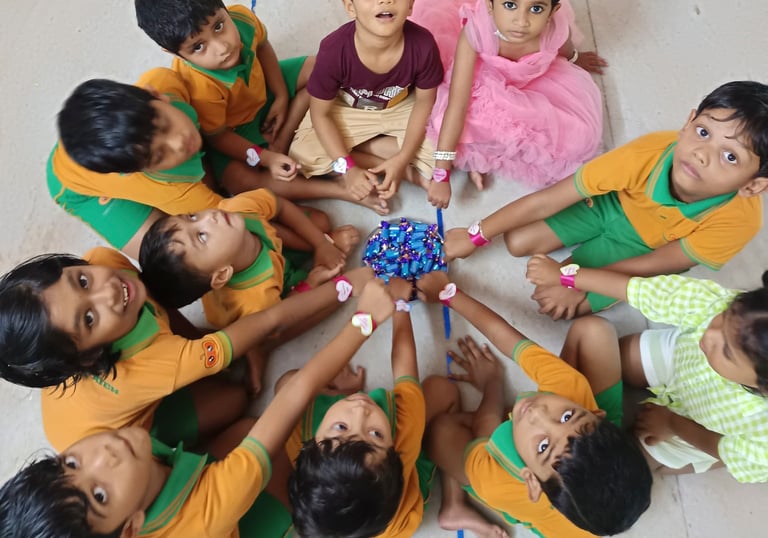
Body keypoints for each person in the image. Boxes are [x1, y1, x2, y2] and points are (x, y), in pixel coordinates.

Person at [0, 279, 399, 538]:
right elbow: (295, 396)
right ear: (131, 529)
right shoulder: (206, 516)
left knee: (240, 405)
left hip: (165, 453)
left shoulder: (100, 431)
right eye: (101, 495)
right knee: (277, 443)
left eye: (70, 465)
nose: (103, 455)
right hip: (224, 516)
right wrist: (364, 321)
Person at [444, 80, 768, 319]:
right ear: (688, 122)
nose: (701, 155)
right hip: (608, 205)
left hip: (643, 248)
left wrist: (571, 278)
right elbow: (549, 199)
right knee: (516, 241)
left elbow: (661, 263)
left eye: (729, 156)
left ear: (753, 187)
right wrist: (477, 234)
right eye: (703, 133)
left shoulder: (739, 220)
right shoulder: (646, 154)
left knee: (556, 305)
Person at [0, 245, 373, 451]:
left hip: (83, 409)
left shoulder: (103, 261)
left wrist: (200, 342)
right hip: (116, 438)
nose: (107, 291)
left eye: (81, 281)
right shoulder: (153, 366)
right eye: (90, 319)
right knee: (236, 398)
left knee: (231, 356)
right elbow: (269, 323)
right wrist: (346, 287)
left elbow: (160, 303)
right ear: (88, 356)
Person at [417, 271, 652, 536]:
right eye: (567, 417)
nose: (537, 414)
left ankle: (454, 505)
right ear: (596, 413)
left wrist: (491, 383)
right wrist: (450, 294)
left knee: (439, 433)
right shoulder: (571, 388)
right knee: (594, 330)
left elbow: (486, 428)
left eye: (543, 446)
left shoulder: (498, 481)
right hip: (577, 483)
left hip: (501, 477)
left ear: (531, 479)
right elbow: (508, 339)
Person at [527, 254, 768, 483]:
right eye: (723, 316)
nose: (710, 333)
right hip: (681, 358)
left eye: (726, 351)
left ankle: (692, 460)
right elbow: (640, 290)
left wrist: (672, 423)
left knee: (633, 462)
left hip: (702, 425)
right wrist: (566, 276)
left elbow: (722, 449)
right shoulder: (734, 313)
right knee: (613, 352)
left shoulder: (761, 432)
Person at [135, 1, 384, 213]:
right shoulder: (200, 87)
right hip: (235, 131)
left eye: (219, 26)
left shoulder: (242, 18)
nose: (222, 47)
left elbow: (262, 46)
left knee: (323, 66)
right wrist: (265, 158)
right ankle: (339, 190)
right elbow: (219, 137)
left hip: (265, 87)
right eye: (198, 46)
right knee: (238, 182)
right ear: (174, 53)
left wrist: (280, 96)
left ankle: (284, 133)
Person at [284, 277, 459, 537]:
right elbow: (404, 366)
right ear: (394, 454)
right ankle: (455, 502)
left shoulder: (298, 433)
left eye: (342, 427)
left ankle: (343, 395)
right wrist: (400, 303)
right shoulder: (404, 433)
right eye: (376, 434)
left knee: (287, 383)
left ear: (310, 443)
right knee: (444, 391)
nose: (361, 411)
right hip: (401, 519)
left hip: (369, 517)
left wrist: (342, 393)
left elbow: (293, 386)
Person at [139, 188, 361, 393]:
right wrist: (311, 281)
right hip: (279, 296)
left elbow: (280, 206)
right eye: (201, 236)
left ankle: (317, 253)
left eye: (191, 217)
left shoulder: (234, 210)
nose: (210, 217)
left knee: (320, 221)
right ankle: (259, 348)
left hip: (277, 259)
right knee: (334, 295)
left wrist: (321, 244)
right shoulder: (256, 302)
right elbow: (286, 313)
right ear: (222, 275)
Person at [411, 0, 605, 208]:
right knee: (444, 123)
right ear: (490, 6)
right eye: (510, 5)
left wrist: (576, 58)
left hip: (536, 85)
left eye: (536, 9)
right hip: (484, 82)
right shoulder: (475, 32)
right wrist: (441, 175)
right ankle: (487, 153)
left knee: (581, 138)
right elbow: (457, 104)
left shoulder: (555, 28)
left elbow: (565, 48)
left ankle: (501, 143)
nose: (521, 21)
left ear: (552, 12)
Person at [49, 69, 222, 259]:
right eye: (159, 155)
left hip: (96, 142)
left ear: (155, 94)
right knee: (173, 256)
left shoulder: (163, 82)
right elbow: (226, 217)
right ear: (136, 172)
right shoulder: (171, 188)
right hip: (74, 191)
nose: (178, 142)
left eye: (165, 126)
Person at [288, 0, 444, 211]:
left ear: (410, 5)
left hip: (399, 108)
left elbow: (425, 101)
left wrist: (403, 157)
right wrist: (348, 168)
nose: (385, 0)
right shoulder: (333, 50)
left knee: (443, 151)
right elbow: (320, 114)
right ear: (350, 7)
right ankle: (374, 153)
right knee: (302, 155)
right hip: (347, 109)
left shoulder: (423, 44)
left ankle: (362, 145)